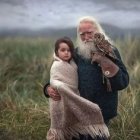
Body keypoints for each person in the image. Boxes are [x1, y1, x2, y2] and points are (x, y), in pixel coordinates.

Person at [44, 16, 129, 140]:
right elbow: (61, 72)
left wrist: (105, 62)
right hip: (79, 111)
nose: (86, 37)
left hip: (101, 115)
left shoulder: (111, 51)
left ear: (98, 31)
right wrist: (48, 88)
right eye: (82, 34)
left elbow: (123, 82)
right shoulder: (77, 53)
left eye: (89, 32)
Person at [47, 37, 109, 140]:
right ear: (56, 52)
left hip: (78, 97)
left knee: (88, 128)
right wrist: (53, 87)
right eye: (63, 50)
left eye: (69, 50)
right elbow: (53, 79)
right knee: (66, 128)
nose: (66, 53)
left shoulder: (73, 62)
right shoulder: (57, 65)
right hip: (62, 99)